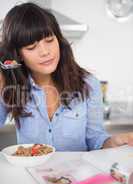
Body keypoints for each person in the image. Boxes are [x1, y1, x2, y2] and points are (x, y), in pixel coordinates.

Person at [0, 2, 133, 151]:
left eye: (49, 40)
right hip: (28, 173)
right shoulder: (11, 85)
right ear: (18, 55)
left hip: (76, 173)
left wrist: (116, 141)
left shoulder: (89, 84)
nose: (45, 52)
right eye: (31, 47)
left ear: (59, 40)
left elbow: (95, 140)